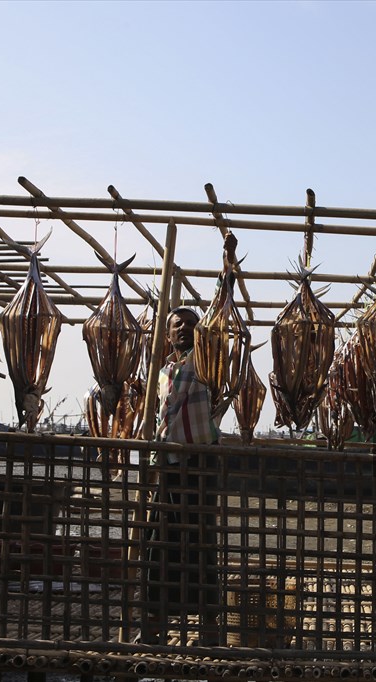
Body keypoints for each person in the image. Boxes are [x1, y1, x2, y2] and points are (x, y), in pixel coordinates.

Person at [139, 231, 238, 646]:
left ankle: (210, 633)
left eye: (189, 324)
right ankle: (155, 630)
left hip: (199, 465)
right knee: (159, 546)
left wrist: (227, 267)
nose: (183, 329)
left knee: (200, 545)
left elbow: (220, 309)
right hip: (167, 467)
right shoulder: (161, 372)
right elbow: (157, 417)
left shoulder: (205, 360)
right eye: (176, 324)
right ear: (167, 333)